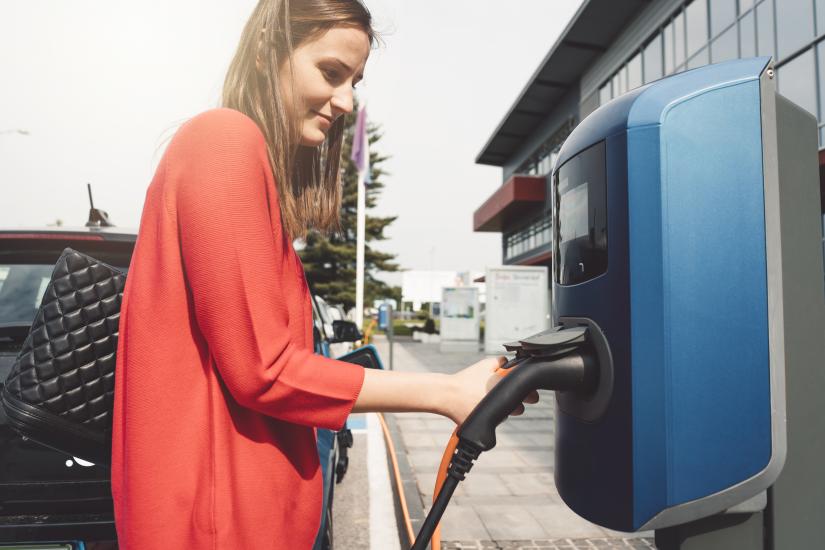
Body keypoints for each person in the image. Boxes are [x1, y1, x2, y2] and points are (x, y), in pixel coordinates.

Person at [111, 1, 537, 548]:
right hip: (219, 528)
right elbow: (263, 368)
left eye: (355, 80)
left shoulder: (245, 159)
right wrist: (446, 390)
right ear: (270, 55)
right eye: (331, 73)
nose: (347, 100)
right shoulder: (224, 139)